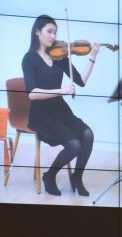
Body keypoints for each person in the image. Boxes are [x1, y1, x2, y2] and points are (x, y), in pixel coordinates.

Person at [22, 14, 100, 197]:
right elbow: (31, 94)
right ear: (37, 32)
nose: (53, 36)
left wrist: (93, 57)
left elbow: (81, 81)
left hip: (61, 111)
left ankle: (77, 177)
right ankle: (49, 176)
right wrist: (61, 91)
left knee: (88, 134)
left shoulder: (60, 56)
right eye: (49, 31)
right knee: (74, 145)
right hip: (42, 115)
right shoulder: (29, 59)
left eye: (55, 32)